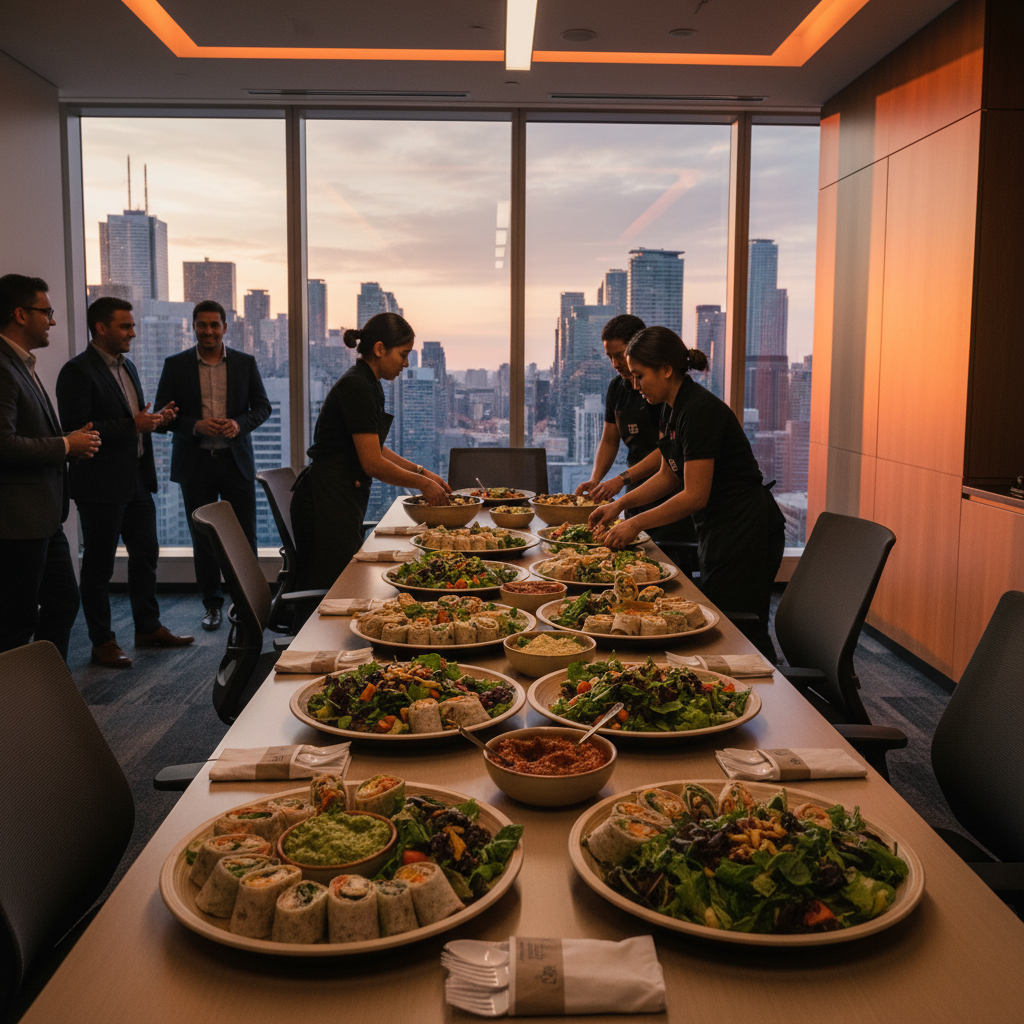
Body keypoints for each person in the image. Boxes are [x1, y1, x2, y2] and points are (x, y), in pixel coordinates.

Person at [589, 326, 785, 661]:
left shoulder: (698, 411)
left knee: (738, 631)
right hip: (720, 527)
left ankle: (777, 702)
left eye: (640, 376)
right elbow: (668, 475)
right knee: (722, 620)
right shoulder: (671, 406)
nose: (634, 386)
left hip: (745, 529)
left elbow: (694, 495)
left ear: (666, 369)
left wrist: (635, 525)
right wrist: (620, 505)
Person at [56, 296, 193, 668]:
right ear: (101, 328)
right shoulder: (77, 371)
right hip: (100, 484)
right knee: (99, 566)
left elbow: (134, 418)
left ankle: (148, 627)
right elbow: (77, 429)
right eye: (125, 326)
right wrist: (133, 425)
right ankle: (102, 641)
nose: (133, 332)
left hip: (135, 479)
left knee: (146, 554)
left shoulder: (127, 366)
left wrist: (156, 419)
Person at [291, 313, 450, 591]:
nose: (406, 363)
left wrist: (422, 472)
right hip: (326, 500)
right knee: (335, 589)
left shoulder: (368, 382)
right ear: (379, 349)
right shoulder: (358, 386)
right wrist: (422, 484)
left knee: (344, 584)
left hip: (339, 496)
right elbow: (373, 463)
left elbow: (374, 446)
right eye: (403, 354)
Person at [0, 273, 101, 662]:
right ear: (21, 314)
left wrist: (69, 443)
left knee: (62, 603)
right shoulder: (2, 367)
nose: (53, 321)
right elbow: (3, 443)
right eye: (47, 312)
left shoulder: (21, 363)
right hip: (16, 522)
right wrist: (63, 444)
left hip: (43, 516)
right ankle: (19, 708)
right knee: (15, 621)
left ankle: (45, 690)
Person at [154, 300, 271, 631]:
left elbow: (262, 408)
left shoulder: (244, 363)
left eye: (214, 325)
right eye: (201, 325)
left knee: (244, 536)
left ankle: (247, 601)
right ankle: (212, 604)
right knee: (202, 537)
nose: (208, 331)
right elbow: (163, 418)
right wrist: (195, 426)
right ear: (193, 327)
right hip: (197, 463)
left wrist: (238, 424)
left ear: (224, 327)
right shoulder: (175, 365)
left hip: (235, 463)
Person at [573, 313, 691, 545]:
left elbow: (667, 458)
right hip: (638, 489)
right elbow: (609, 440)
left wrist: (620, 480)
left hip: (670, 495)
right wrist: (596, 480)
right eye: (609, 357)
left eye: (620, 356)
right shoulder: (617, 388)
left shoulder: (669, 397)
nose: (615, 364)